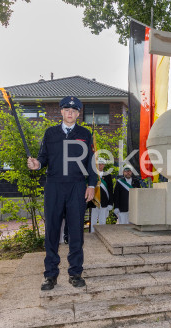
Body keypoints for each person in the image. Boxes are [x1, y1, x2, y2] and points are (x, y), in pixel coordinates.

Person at [27, 96, 97, 291]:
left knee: (76, 231)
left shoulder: (85, 134)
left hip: (77, 186)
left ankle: (75, 273)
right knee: (52, 230)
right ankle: (50, 275)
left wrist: (91, 184)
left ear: (78, 114)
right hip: (54, 186)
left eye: (74, 111)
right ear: (61, 111)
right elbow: (43, 158)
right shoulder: (50, 133)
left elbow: (90, 161)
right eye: (67, 109)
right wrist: (37, 164)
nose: (70, 113)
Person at [88, 158, 114, 232]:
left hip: (104, 202)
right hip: (94, 201)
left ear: (104, 165)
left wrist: (110, 203)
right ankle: (92, 234)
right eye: (99, 164)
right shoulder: (93, 175)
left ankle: (102, 234)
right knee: (93, 220)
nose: (100, 165)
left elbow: (110, 190)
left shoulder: (108, 175)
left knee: (102, 220)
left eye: (102, 164)